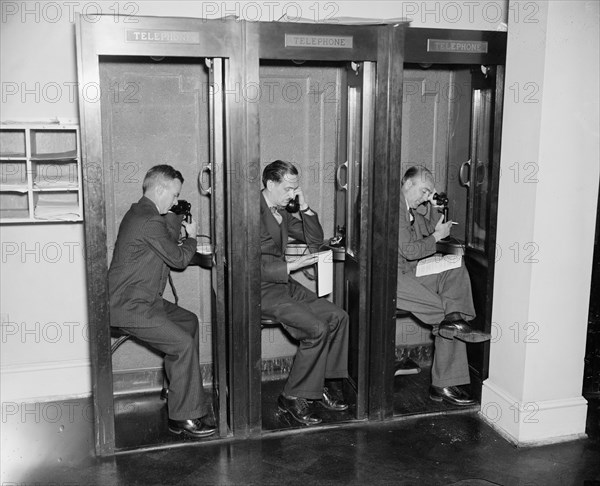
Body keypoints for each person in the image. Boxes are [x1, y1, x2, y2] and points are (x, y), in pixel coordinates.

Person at [108, 164, 216, 439]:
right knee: (181, 345)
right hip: (128, 306)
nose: (176, 200)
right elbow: (178, 259)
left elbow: (164, 242)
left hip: (144, 299)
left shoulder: (142, 212)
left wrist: (175, 217)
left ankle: (176, 390)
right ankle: (184, 418)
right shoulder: (148, 219)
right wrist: (191, 237)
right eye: (175, 195)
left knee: (188, 321)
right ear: (160, 189)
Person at [260, 160, 350, 426]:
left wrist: (305, 208)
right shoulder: (248, 211)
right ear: (270, 184)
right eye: (288, 189)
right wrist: (290, 265)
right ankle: (291, 397)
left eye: (295, 189)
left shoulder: (283, 211)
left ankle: (321, 385)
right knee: (315, 328)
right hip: (259, 289)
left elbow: (314, 238)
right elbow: (245, 263)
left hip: (283, 285)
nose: (291, 194)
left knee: (338, 316)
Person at [396, 166, 491, 406]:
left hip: (409, 272)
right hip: (390, 278)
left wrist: (433, 202)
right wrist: (437, 237)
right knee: (443, 314)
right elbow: (410, 250)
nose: (424, 196)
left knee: (454, 266)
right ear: (407, 184)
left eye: (428, 192)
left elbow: (431, 226)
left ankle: (458, 317)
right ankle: (444, 384)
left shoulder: (411, 209)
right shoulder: (393, 207)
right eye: (423, 190)